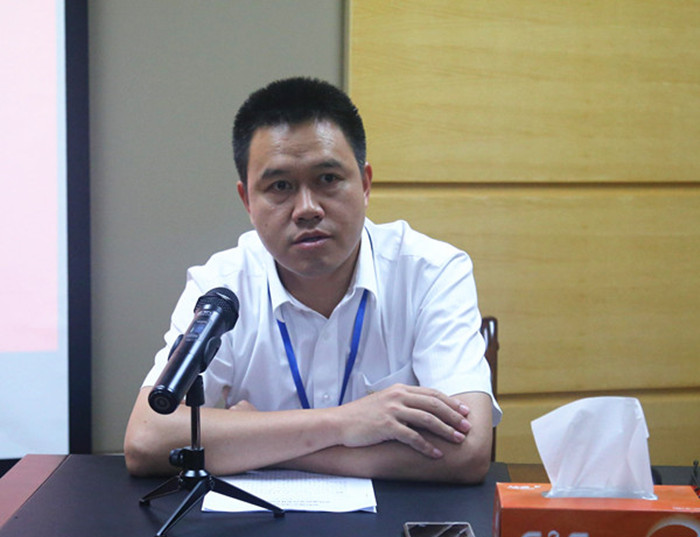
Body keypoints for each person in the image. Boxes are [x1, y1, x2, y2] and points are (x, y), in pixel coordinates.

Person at [124, 77, 502, 483]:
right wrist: (345, 423)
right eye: (280, 186)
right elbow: (147, 438)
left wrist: (261, 446)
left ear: (365, 184)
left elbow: (467, 449)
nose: (307, 209)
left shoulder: (431, 271)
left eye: (327, 179)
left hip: (394, 521)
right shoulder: (222, 286)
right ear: (247, 201)